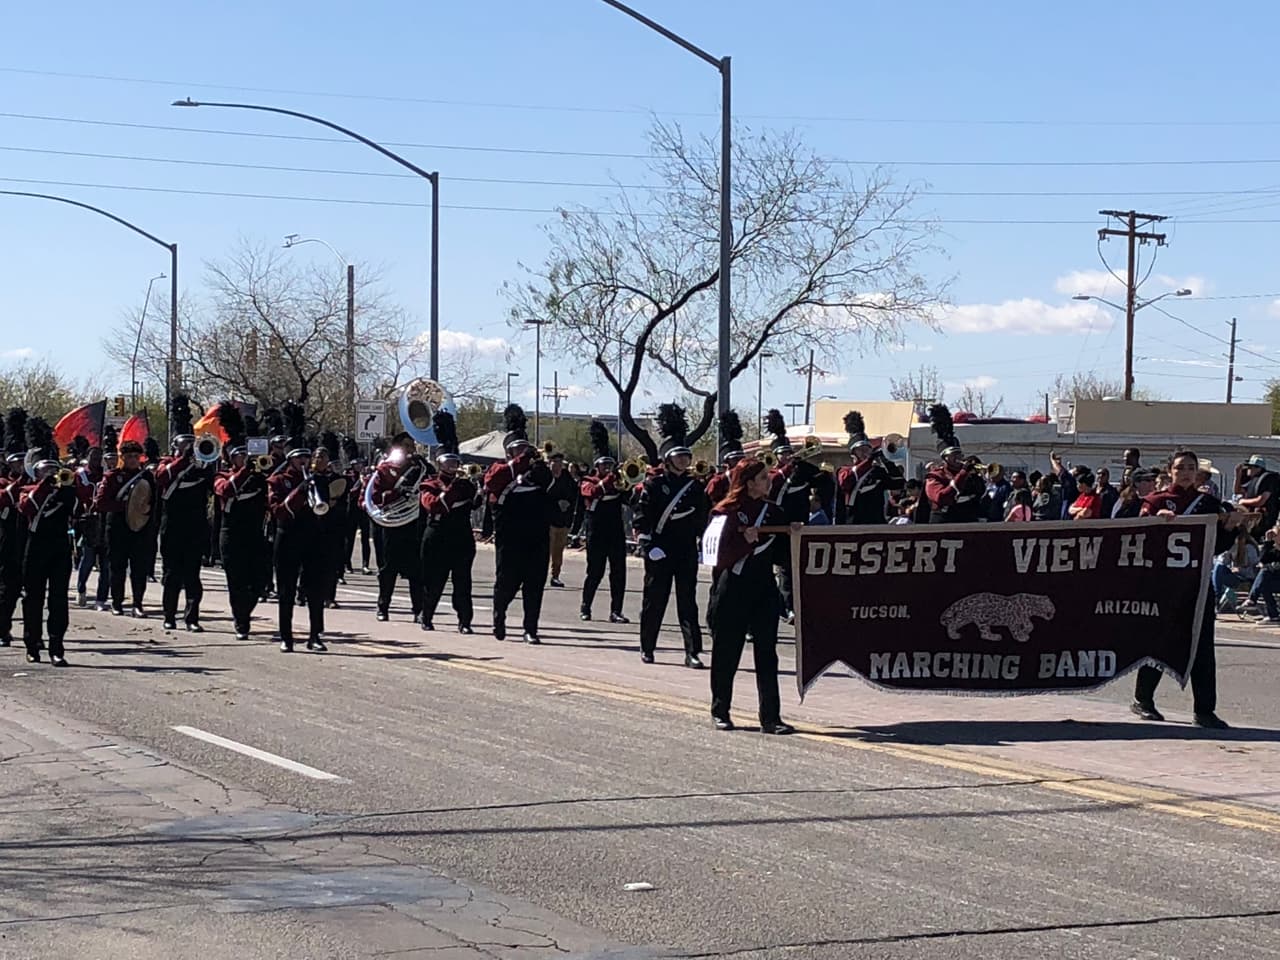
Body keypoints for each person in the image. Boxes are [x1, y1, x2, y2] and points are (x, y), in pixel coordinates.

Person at [1130, 449, 1243, 729]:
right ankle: (1143, 699)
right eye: (1181, 467)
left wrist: (1229, 527)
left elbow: (1216, 545)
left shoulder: (1208, 504)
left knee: (1203, 648)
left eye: (1191, 467)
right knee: (1158, 644)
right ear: (1170, 471)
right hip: (1165, 587)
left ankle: (1204, 710)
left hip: (1198, 585)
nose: (1186, 472)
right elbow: (1138, 538)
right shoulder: (1155, 502)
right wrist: (1156, 522)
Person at [705, 459, 800, 735]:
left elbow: (783, 555)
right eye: (761, 477)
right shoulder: (726, 511)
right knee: (727, 652)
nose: (768, 481)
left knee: (767, 654)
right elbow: (715, 555)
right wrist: (743, 542)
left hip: (764, 590)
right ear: (748, 482)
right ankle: (720, 710)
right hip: (732, 587)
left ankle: (771, 717)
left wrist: (795, 536)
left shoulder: (774, 513)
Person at [634, 404, 709, 668]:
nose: (684, 460)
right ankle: (647, 646)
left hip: (685, 550)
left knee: (688, 603)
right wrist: (648, 546)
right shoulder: (654, 485)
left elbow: (703, 517)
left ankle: (692, 652)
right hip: (660, 550)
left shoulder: (695, 487)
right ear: (667, 459)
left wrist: (703, 545)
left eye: (686, 456)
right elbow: (641, 519)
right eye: (679, 456)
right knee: (654, 602)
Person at [484, 405, 552, 644]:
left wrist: (541, 467)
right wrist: (522, 462)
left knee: (535, 583)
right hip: (511, 536)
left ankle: (530, 628)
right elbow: (493, 482)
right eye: (518, 449)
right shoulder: (499, 469)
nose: (524, 452)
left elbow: (551, 485)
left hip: (536, 533)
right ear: (509, 453)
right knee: (507, 582)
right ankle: (499, 615)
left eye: (525, 448)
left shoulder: (536, 469)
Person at [418, 411, 480, 634]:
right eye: (449, 462)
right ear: (440, 463)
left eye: (456, 461)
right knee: (434, 581)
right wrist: (454, 489)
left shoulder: (465, 484)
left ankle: (465, 621)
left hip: (461, 537)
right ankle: (427, 616)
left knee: (463, 583)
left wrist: (474, 488)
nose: (454, 466)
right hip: (437, 536)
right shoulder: (429, 484)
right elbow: (434, 506)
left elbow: (475, 504)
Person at [155, 395, 212, 633]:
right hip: (173, 526)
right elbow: (163, 482)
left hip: (195, 526)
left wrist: (204, 463)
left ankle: (192, 617)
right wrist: (183, 460)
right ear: (176, 446)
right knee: (172, 574)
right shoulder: (167, 464)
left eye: (192, 443)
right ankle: (169, 615)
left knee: (193, 575)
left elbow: (212, 488)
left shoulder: (203, 466)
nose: (190, 448)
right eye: (184, 444)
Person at [266, 442, 328, 653]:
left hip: (313, 537)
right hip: (287, 537)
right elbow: (278, 511)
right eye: (299, 458)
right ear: (290, 460)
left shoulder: (318, 480)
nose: (303, 462)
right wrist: (298, 493)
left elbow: (324, 507)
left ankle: (315, 635)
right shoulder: (278, 481)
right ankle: (286, 637)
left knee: (315, 590)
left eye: (306, 458)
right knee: (286, 590)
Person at [17, 455, 78, 666]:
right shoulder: (29, 490)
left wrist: (69, 488)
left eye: (54, 470)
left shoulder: (66, 490)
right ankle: (32, 645)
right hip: (36, 548)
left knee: (58, 599)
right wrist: (44, 486)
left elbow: (78, 509)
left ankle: (57, 647)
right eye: (46, 470)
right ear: (37, 473)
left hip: (60, 547)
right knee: (33, 599)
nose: (52, 474)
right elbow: (27, 507)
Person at [366, 431, 427, 622]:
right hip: (392, 523)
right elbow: (376, 497)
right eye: (406, 446)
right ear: (397, 448)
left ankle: (419, 609)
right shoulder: (384, 470)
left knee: (416, 569)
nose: (410, 449)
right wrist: (397, 492)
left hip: (414, 523)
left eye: (412, 446)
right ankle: (383, 607)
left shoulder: (421, 468)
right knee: (388, 569)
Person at [213, 437, 267, 641]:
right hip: (231, 534)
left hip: (254, 533)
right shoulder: (221, 475)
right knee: (237, 582)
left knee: (260, 580)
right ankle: (241, 621)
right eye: (241, 455)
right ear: (232, 458)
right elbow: (226, 491)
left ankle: (245, 612)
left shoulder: (258, 477)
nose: (245, 458)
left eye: (247, 455)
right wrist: (245, 471)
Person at [93, 439, 155, 617]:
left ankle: (138, 604)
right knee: (117, 567)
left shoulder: (147, 477)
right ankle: (117, 603)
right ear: (123, 458)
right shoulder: (112, 476)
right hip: (118, 528)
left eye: (136, 456)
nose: (133, 460)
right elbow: (101, 503)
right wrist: (126, 506)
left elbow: (153, 501)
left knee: (139, 569)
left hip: (140, 529)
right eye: (129, 457)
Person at [579, 421, 629, 624]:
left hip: (615, 532)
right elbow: (592, 493)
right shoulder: (588, 481)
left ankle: (616, 610)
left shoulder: (617, 483)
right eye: (604, 465)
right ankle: (585, 607)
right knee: (595, 572)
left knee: (619, 573)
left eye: (610, 464)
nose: (608, 468)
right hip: (596, 533)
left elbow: (630, 499)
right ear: (596, 466)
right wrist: (609, 479)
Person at [836, 411, 904, 525]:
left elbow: (899, 484)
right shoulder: (844, 471)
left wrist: (887, 461)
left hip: (877, 522)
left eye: (867, 449)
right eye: (861, 450)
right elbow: (847, 481)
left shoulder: (877, 471)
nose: (865, 452)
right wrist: (870, 459)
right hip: (853, 523)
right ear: (853, 452)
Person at [924, 406, 985, 523]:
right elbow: (942, 498)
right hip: (944, 522)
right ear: (944, 458)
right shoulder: (935, 476)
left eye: (959, 454)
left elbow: (979, 493)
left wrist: (977, 477)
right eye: (953, 454)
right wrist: (962, 474)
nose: (958, 457)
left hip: (967, 521)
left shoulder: (968, 473)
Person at [73, 444, 108, 609]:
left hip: (105, 520)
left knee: (105, 563)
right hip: (87, 521)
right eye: (93, 456)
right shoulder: (80, 475)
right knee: (87, 559)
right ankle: (81, 589)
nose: (96, 459)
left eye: (99, 456)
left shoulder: (107, 474)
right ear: (88, 456)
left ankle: (101, 599)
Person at [545, 450, 577, 589]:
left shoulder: (566, 477)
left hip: (563, 520)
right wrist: (555, 502)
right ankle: (537, 575)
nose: (558, 466)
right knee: (545, 551)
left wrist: (568, 503)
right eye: (555, 462)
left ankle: (555, 576)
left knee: (558, 551)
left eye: (560, 463)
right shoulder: (545, 476)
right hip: (548, 521)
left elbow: (574, 493)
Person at [1211, 527, 1260, 614]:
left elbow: (1255, 569)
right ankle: (1216, 598)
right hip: (1234, 575)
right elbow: (1223, 562)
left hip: (1245, 578)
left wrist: (1240, 570)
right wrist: (1225, 553)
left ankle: (1216, 599)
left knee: (1218, 571)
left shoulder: (1249, 548)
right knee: (1218, 568)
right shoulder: (1232, 547)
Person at [1235, 455, 1280, 538]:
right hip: (1251, 519)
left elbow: (1261, 500)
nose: (1248, 469)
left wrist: (1243, 501)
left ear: (1258, 468)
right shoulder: (1253, 481)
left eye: (1250, 467)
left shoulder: (1268, 480)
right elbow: (1238, 491)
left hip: (1263, 519)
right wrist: (1238, 474)